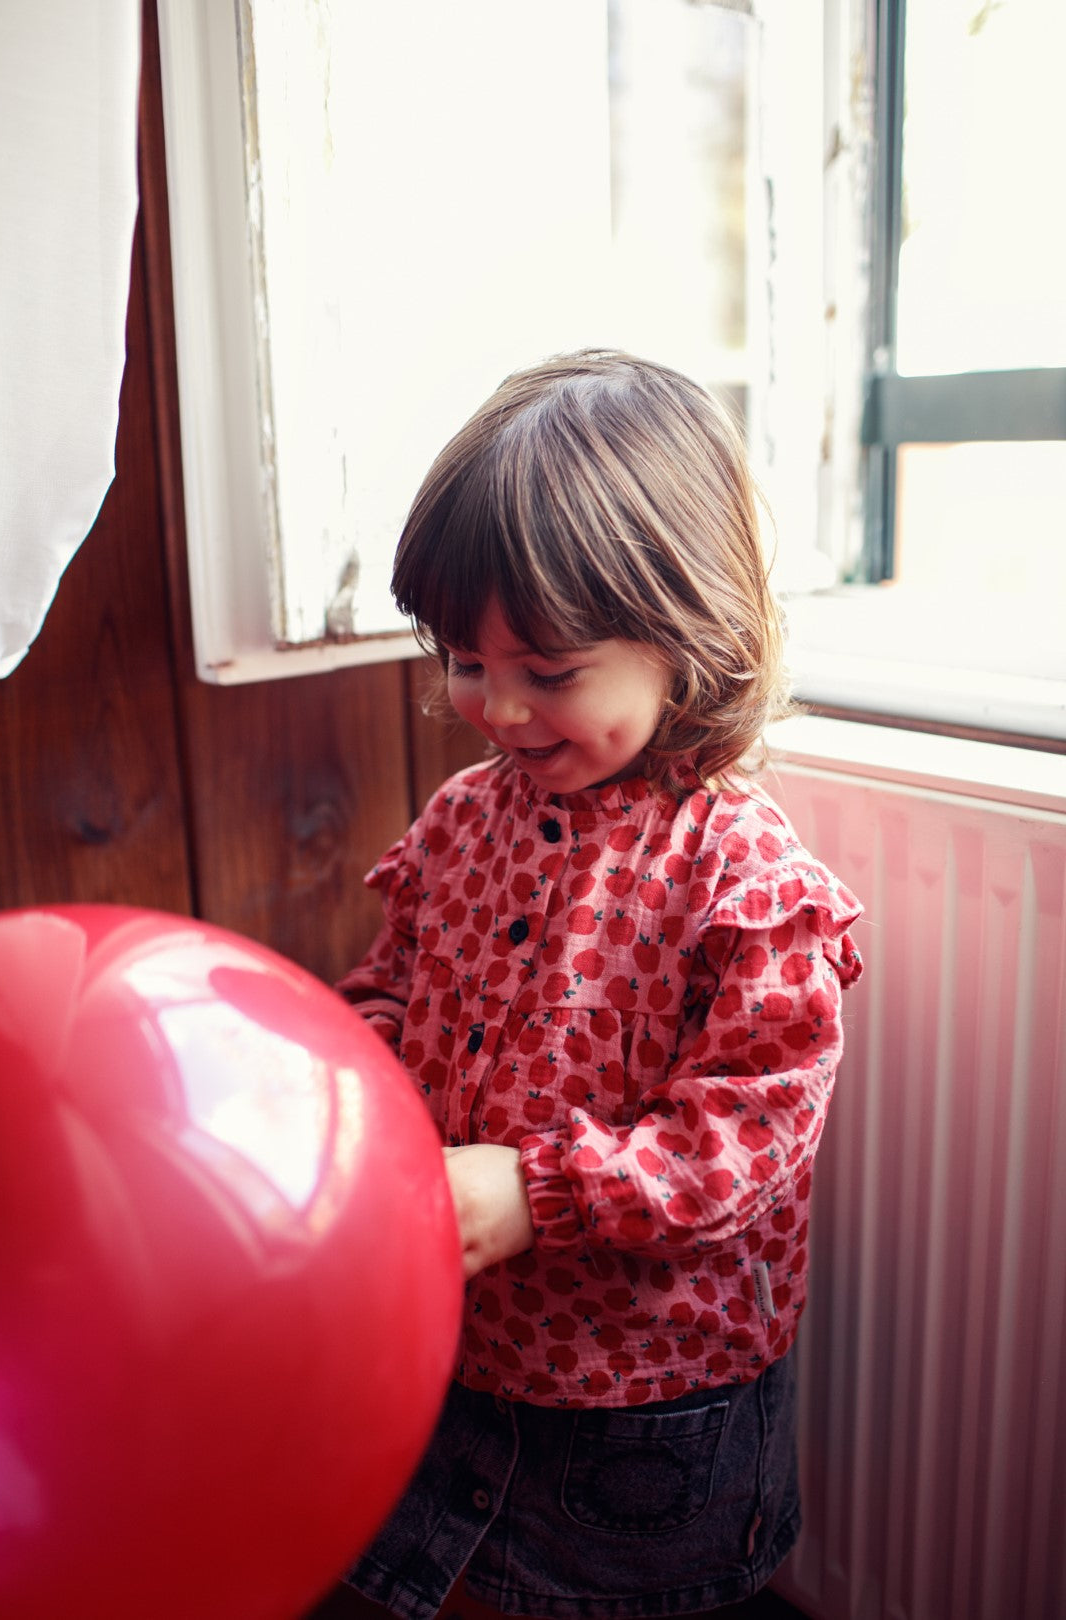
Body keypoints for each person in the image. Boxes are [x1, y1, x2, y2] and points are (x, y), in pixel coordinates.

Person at [329, 351, 863, 1620]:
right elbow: (392, 986)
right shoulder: (464, 818)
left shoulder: (742, 870)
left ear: (687, 639)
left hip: (649, 1402)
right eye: (465, 660)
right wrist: (354, 1076)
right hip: (461, 1347)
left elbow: (753, 1135)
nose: (496, 707)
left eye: (551, 672)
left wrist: (539, 1187)